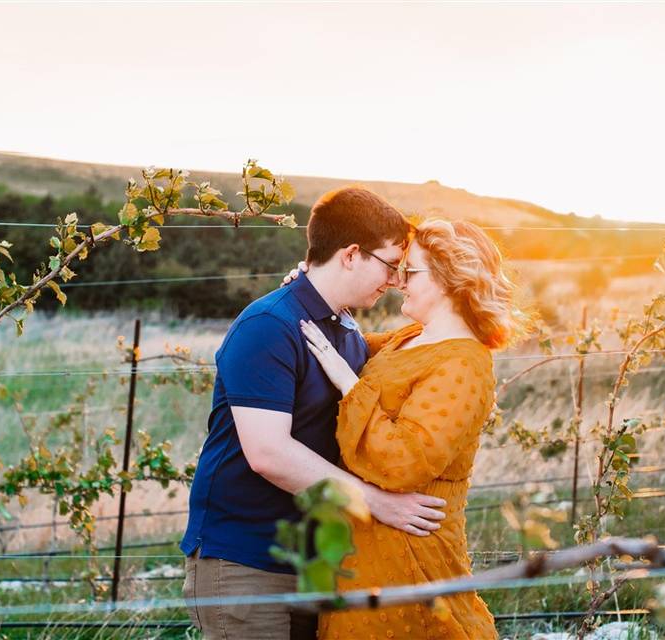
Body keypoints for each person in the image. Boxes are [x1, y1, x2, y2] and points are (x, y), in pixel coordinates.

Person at [180, 187, 448, 640]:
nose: (394, 280)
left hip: (315, 562)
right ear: (350, 255)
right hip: (245, 562)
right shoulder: (268, 325)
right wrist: (378, 503)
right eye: (389, 264)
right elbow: (268, 452)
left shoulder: (344, 329)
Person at [298, 218, 524, 640]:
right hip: (363, 556)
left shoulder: (465, 364)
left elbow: (405, 461)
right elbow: (343, 345)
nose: (399, 280)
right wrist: (311, 290)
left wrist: (349, 384)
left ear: (448, 279)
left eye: (411, 270)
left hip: (412, 560)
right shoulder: (411, 337)